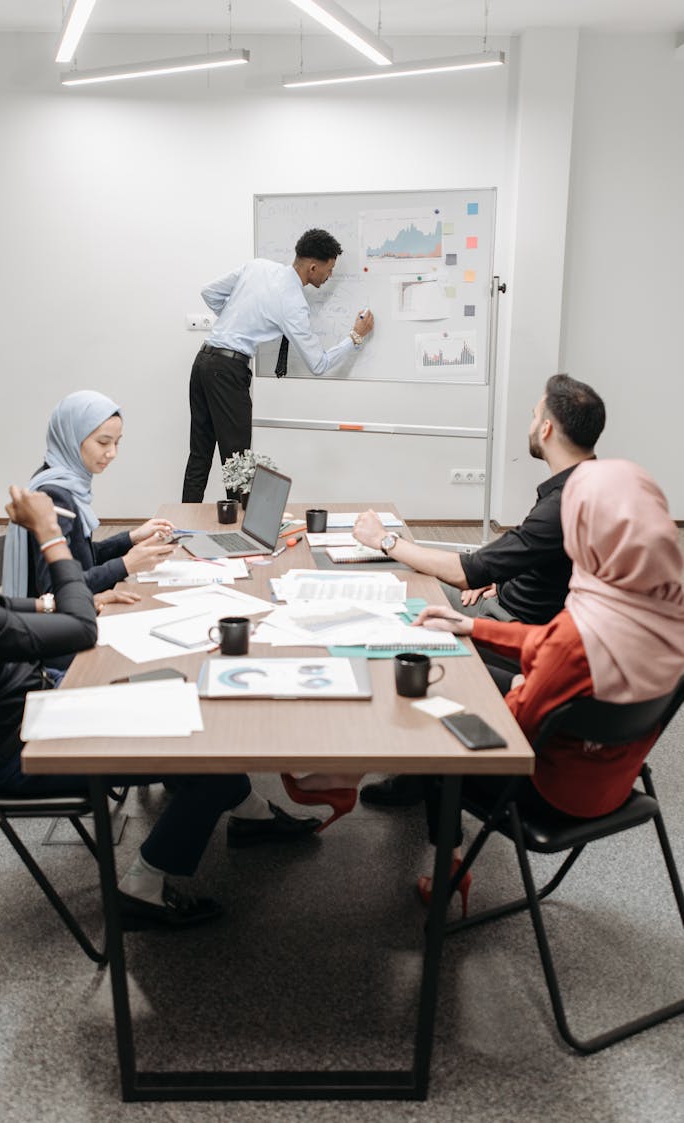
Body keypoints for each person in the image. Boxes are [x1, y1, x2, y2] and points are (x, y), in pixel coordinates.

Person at [0, 435, 319, 929]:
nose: (0, 498)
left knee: (179, 696)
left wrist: (50, 605)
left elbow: (1, 611)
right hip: (22, 753)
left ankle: (250, 813)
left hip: (34, 708)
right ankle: (142, 887)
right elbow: (78, 631)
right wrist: (51, 536)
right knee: (210, 755)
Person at [414, 459, 684, 916]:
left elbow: (513, 734)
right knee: (473, 664)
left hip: (550, 793)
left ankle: (450, 873)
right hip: (618, 781)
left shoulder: (580, 634)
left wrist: (523, 683)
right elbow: (550, 644)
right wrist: (473, 627)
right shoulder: (659, 605)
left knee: (437, 711)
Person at [353, 372, 606, 807]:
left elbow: (466, 570)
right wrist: (500, 574)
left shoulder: (563, 502)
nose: (530, 425)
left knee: (406, 618)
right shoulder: (592, 484)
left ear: (546, 429)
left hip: (514, 627)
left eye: (533, 416)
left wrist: (387, 541)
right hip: (512, 603)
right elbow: (544, 555)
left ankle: (418, 775)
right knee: (411, 583)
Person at [182, 228, 375, 502]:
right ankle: (242, 537)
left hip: (203, 361)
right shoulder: (293, 303)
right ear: (312, 267)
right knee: (238, 462)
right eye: (329, 269)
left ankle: (181, 531)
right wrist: (355, 337)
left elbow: (209, 293)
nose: (329, 276)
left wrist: (236, 321)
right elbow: (318, 364)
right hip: (227, 372)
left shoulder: (257, 267)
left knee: (200, 454)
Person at [3, 390, 177, 609]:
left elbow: (77, 559)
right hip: (61, 623)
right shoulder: (55, 495)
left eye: (117, 443)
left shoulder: (60, 479)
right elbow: (56, 590)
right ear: (72, 439)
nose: (112, 453)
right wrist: (126, 565)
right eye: (103, 443)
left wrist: (130, 539)